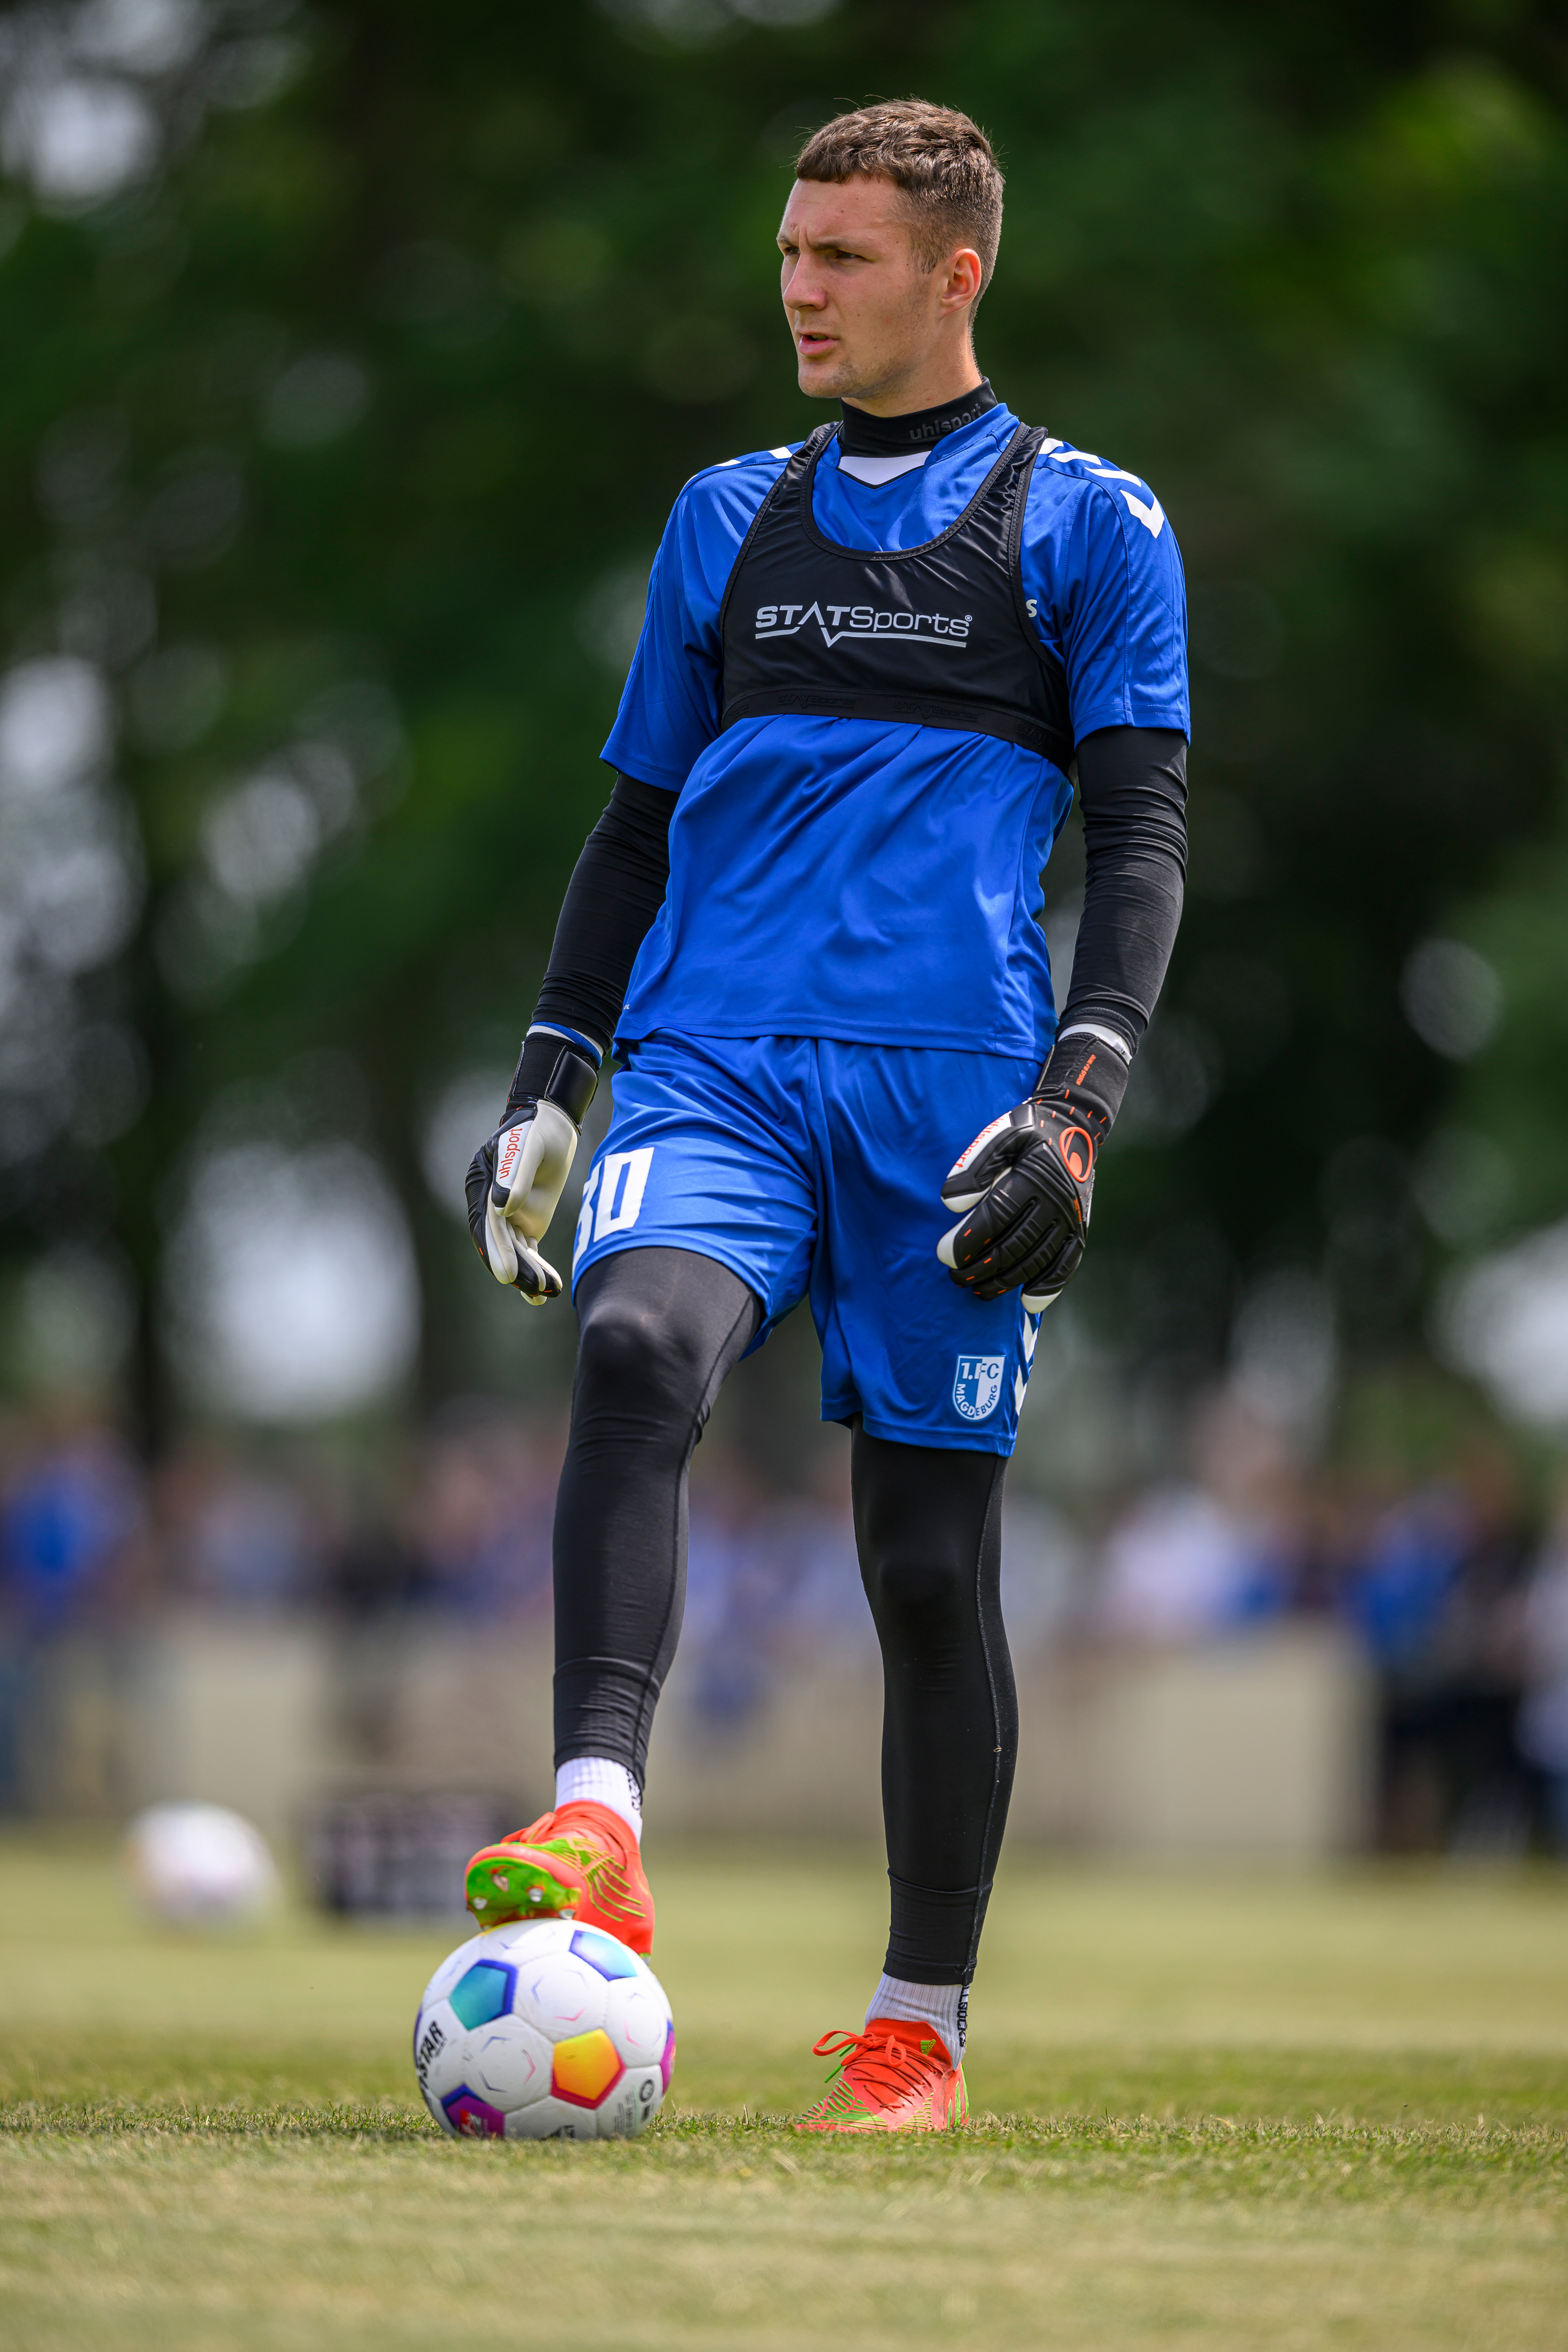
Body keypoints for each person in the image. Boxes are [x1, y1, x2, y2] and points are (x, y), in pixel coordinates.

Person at [462, 100, 1189, 2131]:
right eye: (791, 251)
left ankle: (916, 2025)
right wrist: (550, 1075)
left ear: (958, 274)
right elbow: (632, 824)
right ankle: (599, 1813)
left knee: (929, 1571)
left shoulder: (1090, 523)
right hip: (713, 1058)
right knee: (632, 1346)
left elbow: (1139, 837)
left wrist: (1085, 1091)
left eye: (842, 256)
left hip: (957, 1104)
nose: (798, 286)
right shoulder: (724, 515)